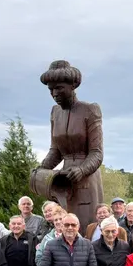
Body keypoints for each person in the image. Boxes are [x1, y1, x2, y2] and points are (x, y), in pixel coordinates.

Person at [36, 60, 104, 231]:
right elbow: (55, 151)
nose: (54, 93)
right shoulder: (55, 113)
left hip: (87, 179)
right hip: (64, 183)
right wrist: (41, 168)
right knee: (66, 229)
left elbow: (96, 153)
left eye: (59, 88)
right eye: (50, 89)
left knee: (86, 229)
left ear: (73, 85)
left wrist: (81, 170)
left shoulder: (90, 110)